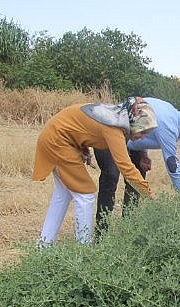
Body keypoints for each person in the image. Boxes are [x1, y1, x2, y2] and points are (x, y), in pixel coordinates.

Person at [32, 98, 157, 246]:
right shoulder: (114, 127)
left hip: (55, 139)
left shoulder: (115, 119)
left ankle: (44, 245)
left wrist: (83, 148)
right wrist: (149, 194)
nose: (143, 137)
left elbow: (81, 127)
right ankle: (84, 250)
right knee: (85, 195)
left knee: (63, 194)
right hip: (57, 142)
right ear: (134, 121)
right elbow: (126, 167)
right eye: (143, 131)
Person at [93, 97, 180, 234]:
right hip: (108, 134)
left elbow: (141, 128)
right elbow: (172, 165)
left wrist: (143, 154)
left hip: (128, 139)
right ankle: (101, 234)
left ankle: (128, 230)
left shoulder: (171, 114)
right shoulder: (169, 125)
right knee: (111, 177)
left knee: (139, 174)